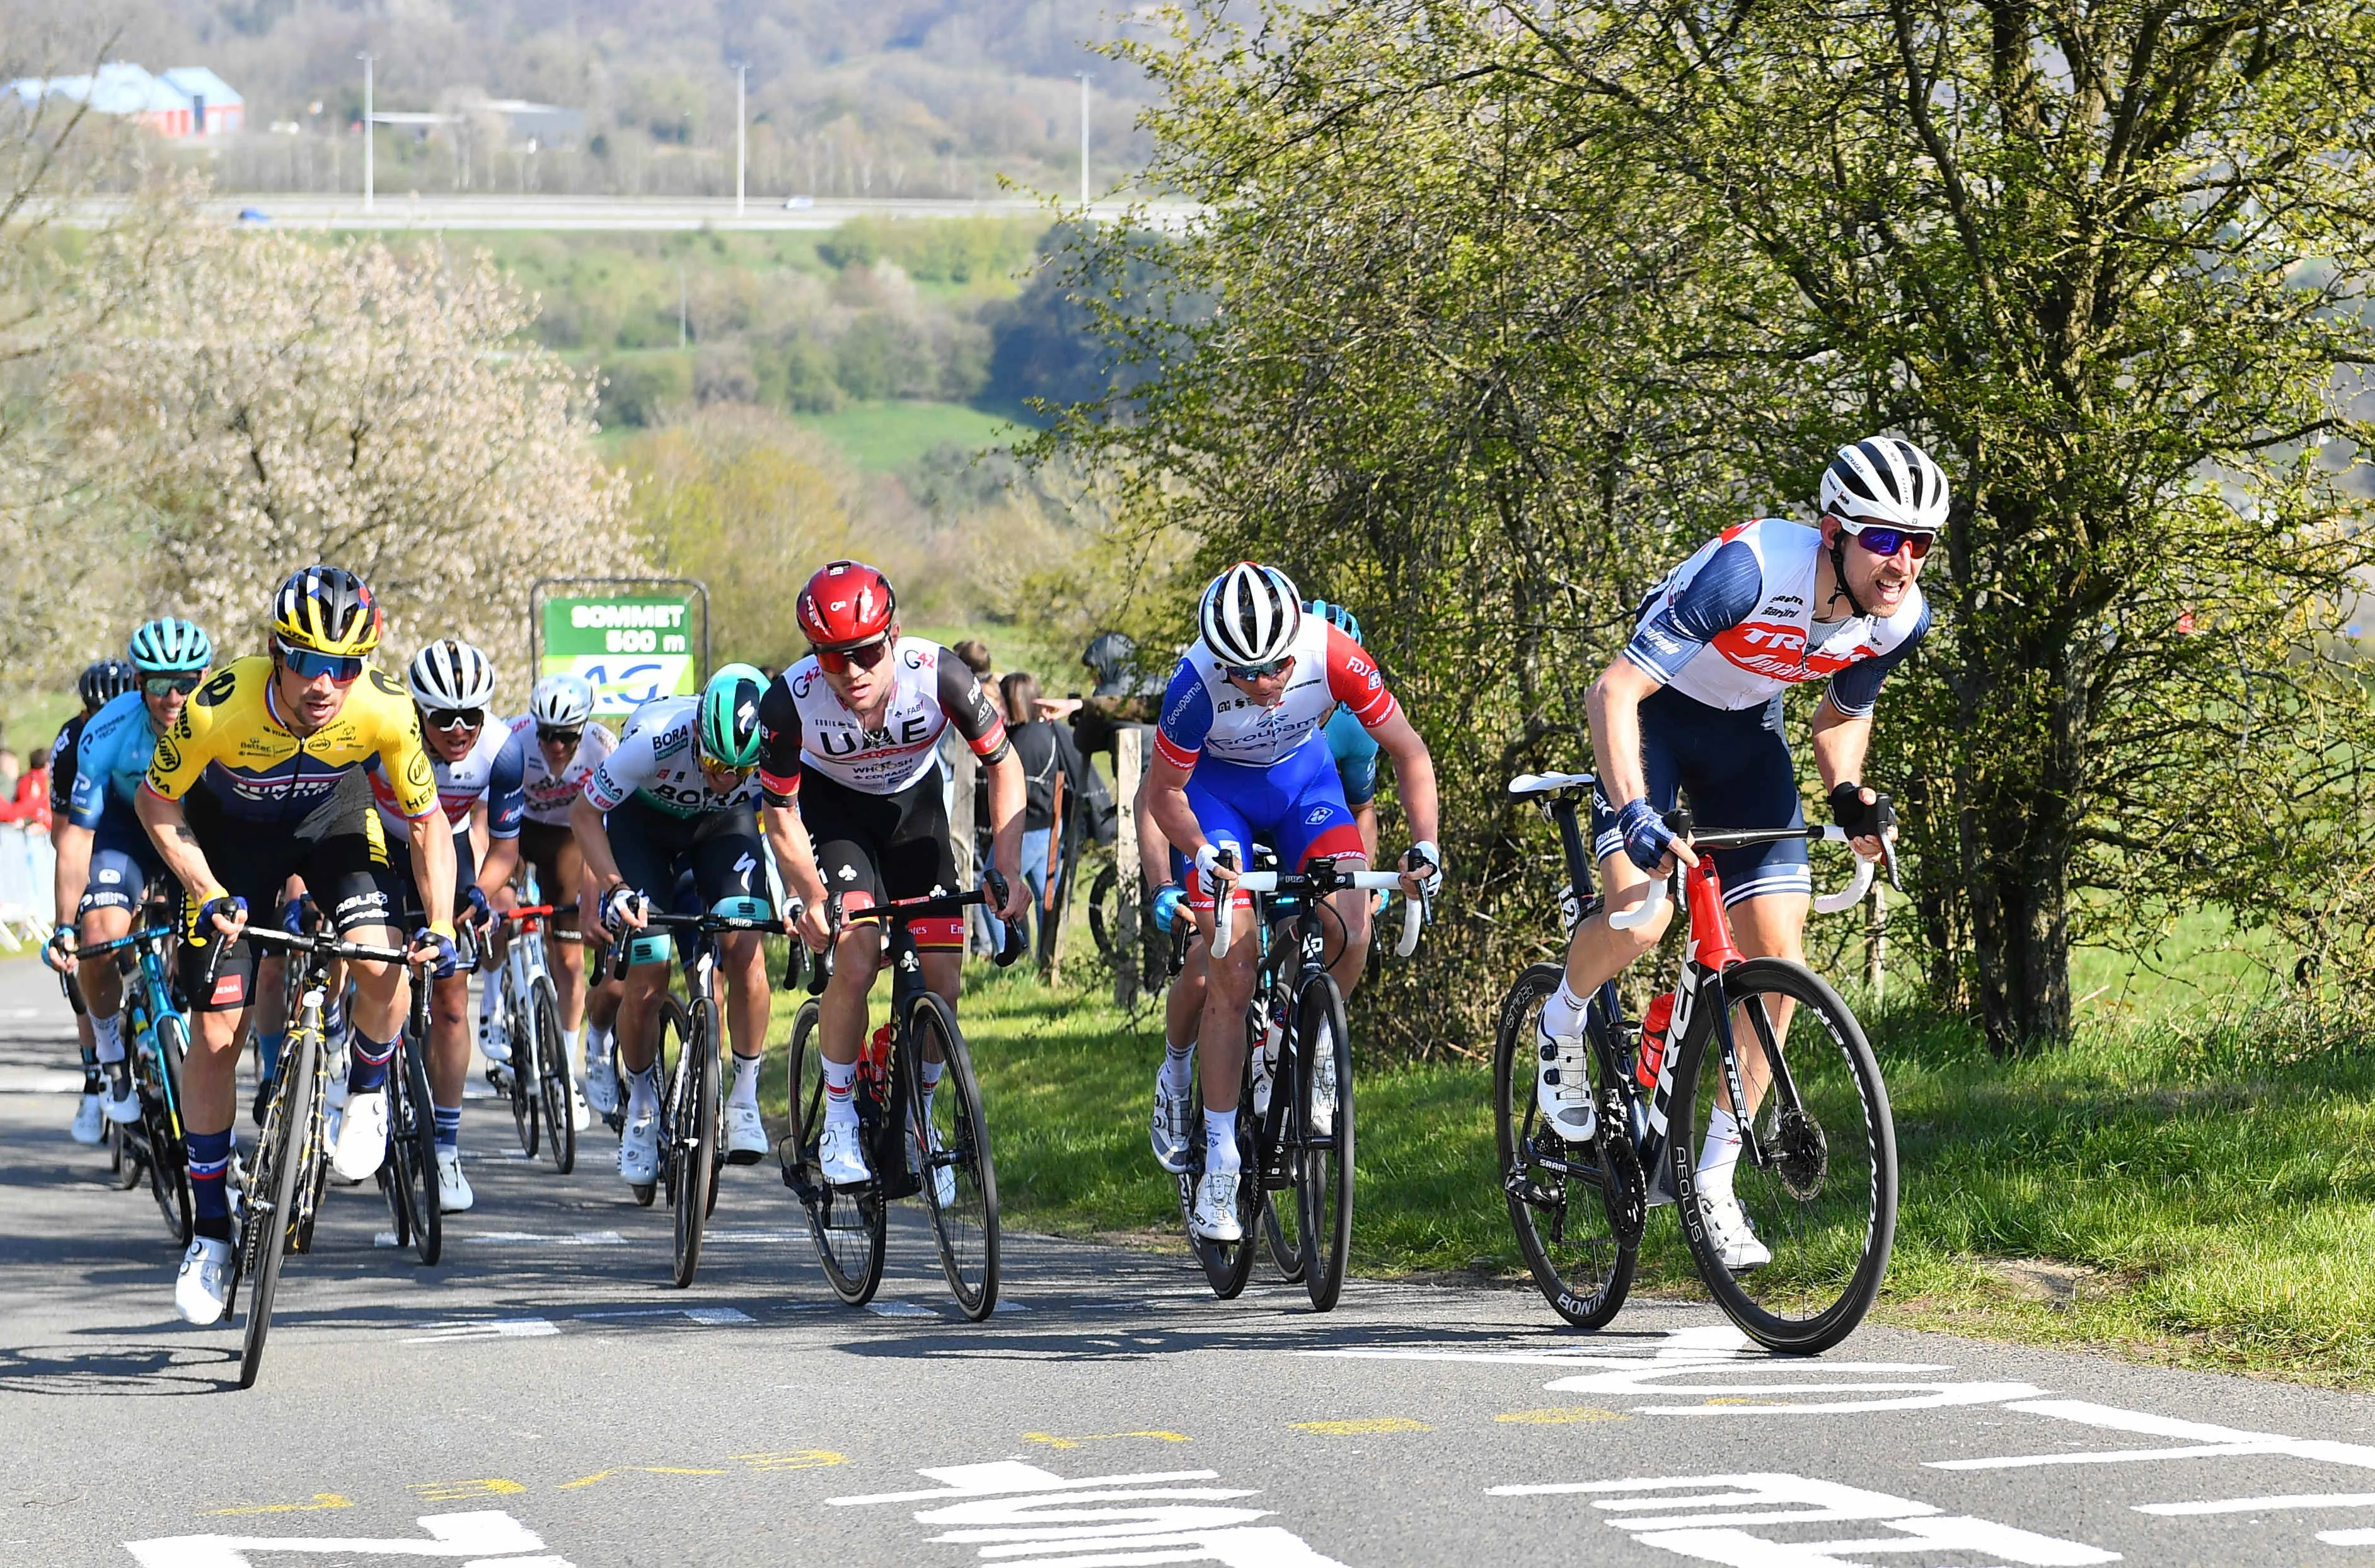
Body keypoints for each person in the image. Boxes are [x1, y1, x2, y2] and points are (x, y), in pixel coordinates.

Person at [1535, 437, 1939, 1269]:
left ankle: (1712, 1177)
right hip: (1656, 723)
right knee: (1645, 916)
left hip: (1749, 738)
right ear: (1834, 532)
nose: (1903, 562)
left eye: (1922, 542)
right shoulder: (1751, 570)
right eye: (1885, 539)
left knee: (1779, 961)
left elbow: (1840, 713)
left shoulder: (1901, 616)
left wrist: (1846, 793)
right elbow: (1613, 690)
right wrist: (1639, 812)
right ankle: (1561, 1020)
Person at [137, 565, 460, 1325]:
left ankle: (368, 1093)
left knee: (382, 958)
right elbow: (157, 800)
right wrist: (203, 887)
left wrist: (441, 922)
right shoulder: (220, 705)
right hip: (231, 840)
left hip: (332, 822)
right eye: (310, 661)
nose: (326, 683)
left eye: (345, 666)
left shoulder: (383, 707)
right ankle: (211, 1233)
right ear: (277, 654)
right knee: (218, 1027)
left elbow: (427, 822)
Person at [1141, 562, 1443, 1241]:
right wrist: (1198, 852)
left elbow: (1409, 751)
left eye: (1277, 666)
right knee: (1233, 966)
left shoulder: (1333, 650)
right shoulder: (1192, 685)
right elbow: (1161, 796)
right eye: (1245, 674)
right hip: (1217, 799)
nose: (1267, 684)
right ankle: (1219, 1159)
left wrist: (1425, 845)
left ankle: (1312, 1046)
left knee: (1352, 921)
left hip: (1306, 787)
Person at [759, 560, 1029, 1187]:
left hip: (916, 812)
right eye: (831, 657)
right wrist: (811, 895)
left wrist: (1008, 867)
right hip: (838, 817)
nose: (850, 671)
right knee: (855, 953)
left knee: (943, 979)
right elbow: (779, 813)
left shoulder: (939, 675)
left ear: (894, 635)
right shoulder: (790, 700)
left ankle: (920, 1115)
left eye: (864, 652)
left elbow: (1005, 765)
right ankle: (840, 1116)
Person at [572, 665, 777, 1191]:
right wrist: (613, 887)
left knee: (746, 948)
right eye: (713, 763)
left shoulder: (773, 748)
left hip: (722, 832)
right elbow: (585, 815)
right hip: (645, 833)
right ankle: (641, 1106)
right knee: (647, 974)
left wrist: (796, 898)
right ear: (696, 736)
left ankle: (745, 1095)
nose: (725, 778)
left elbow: (785, 818)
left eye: (739, 770)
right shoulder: (653, 741)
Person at [369, 639, 525, 1213]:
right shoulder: (383, 731)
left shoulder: (503, 751)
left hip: (446, 848)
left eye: (472, 717)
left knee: (454, 1001)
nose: (459, 730)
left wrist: (481, 894)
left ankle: (446, 1146)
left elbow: (506, 849)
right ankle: (354, 1079)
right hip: (377, 845)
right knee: (375, 970)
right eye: (443, 718)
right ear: (417, 712)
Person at [42, 620, 214, 1136]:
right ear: (140, 683)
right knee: (99, 937)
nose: (174, 696)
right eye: (160, 684)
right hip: (125, 830)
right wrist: (64, 925)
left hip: (196, 831)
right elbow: (76, 838)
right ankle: (111, 1054)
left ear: (205, 677)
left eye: (185, 681)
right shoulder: (106, 732)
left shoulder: (225, 721)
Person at [492, 673, 617, 1119]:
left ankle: (565, 1068)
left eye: (566, 737)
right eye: (547, 735)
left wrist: (588, 903)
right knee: (501, 910)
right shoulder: (512, 740)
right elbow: (480, 814)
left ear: (582, 729)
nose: (556, 746)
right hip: (514, 831)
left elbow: (598, 832)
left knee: (569, 959)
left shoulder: (603, 748)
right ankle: (492, 998)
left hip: (570, 836)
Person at [48, 659, 141, 1144]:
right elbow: (66, 838)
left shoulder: (160, 724)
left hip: (151, 826)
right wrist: (69, 918)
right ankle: (94, 1078)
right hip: (97, 832)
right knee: (88, 945)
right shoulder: (71, 745)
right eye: (93, 711)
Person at [982, 671, 1089, 960]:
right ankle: (1047, 959)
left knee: (992, 894)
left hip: (1024, 828)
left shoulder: (1019, 739)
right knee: (1045, 900)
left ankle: (1008, 958)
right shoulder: (1049, 731)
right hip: (1049, 825)